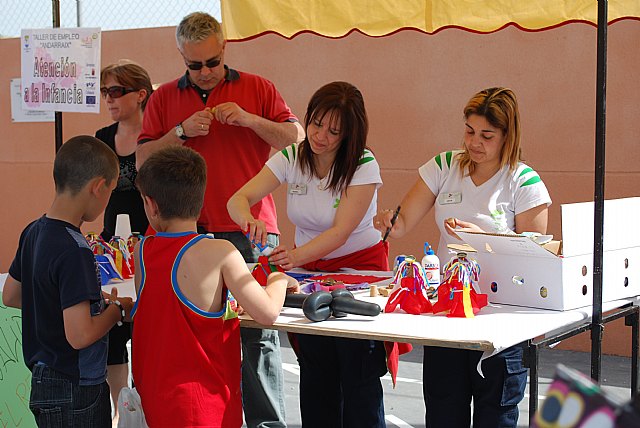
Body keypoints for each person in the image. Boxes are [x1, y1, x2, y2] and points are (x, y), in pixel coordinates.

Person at [135, 12, 304, 427]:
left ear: (224, 48)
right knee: (191, 339)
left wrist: (249, 119)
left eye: (212, 62)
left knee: (259, 341)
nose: (206, 73)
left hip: (250, 229)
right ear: (181, 57)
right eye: (195, 65)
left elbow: (296, 139)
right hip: (186, 231)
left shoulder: (257, 87)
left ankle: (267, 423)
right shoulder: (163, 99)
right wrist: (180, 131)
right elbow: (139, 159)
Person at [374, 87, 552, 428]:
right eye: (469, 131)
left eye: (487, 135)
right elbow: (403, 221)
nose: (474, 143)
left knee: (495, 416)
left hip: (501, 321)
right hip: (448, 315)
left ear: (507, 136)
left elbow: (537, 257)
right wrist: (389, 222)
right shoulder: (444, 165)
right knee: (443, 414)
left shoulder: (524, 181)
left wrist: (481, 238)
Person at [228, 81, 389, 428]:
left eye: (334, 131)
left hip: (358, 273)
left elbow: (340, 233)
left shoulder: (363, 162)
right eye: (316, 124)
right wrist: (249, 220)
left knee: (358, 374)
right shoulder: (291, 156)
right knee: (316, 370)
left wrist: (294, 257)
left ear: (350, 134)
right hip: (308, 275)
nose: (320, 136)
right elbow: (236, 200)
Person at [130, 145, 298, 427]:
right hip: (206, 406)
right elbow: (268, 312)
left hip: (156, 403)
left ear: (151, 204)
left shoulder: (141, 251)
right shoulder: (221, 252)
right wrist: (278, 278)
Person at [2, 135, 134, 428]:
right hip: (75, 389)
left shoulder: (33, 231)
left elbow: (11, 295)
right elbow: (80, 335)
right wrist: (115, 311)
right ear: (98, 187)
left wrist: (70, 303)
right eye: (111, 191)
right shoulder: (75, 250)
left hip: (43, 379)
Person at [96, 59, 152, 425]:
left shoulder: (159, 134)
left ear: (141, 94)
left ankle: (145, 408)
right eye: (105, 92)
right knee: (114, 336)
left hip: (149, 246)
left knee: (145, 330)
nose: (109, 99)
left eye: (116, 91)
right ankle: (121, 414)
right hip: (111, 248)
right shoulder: (103, 138)